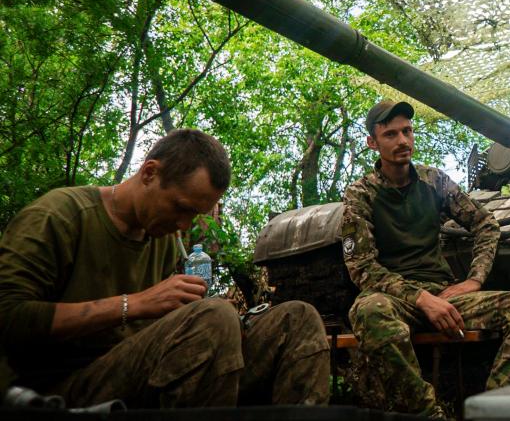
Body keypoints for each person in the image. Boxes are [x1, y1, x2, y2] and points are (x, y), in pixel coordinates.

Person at [0, 129, 330, 408]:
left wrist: (229, 326)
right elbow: (8, 317)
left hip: (142, 375)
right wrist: (134, 304)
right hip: (63, 388)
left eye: (194, 216)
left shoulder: (163, 236)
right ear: (149, 173)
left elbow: (169, 333)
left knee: (296, 319)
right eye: (181, 208)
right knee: (213, 318)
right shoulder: (59, 216)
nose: (184, 224)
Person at [341, 100, 510, 418]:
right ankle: (429, 414)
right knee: (368, 311)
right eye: (391, 134)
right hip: (394, 299)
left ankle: (492, 410)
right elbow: (362, 267)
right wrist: (421, 299)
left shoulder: (434, 181)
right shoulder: (361, 194)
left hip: (444, 294)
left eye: (407, 132)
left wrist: (474, 280)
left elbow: (485, 224)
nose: (403, 141)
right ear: (372, 142)